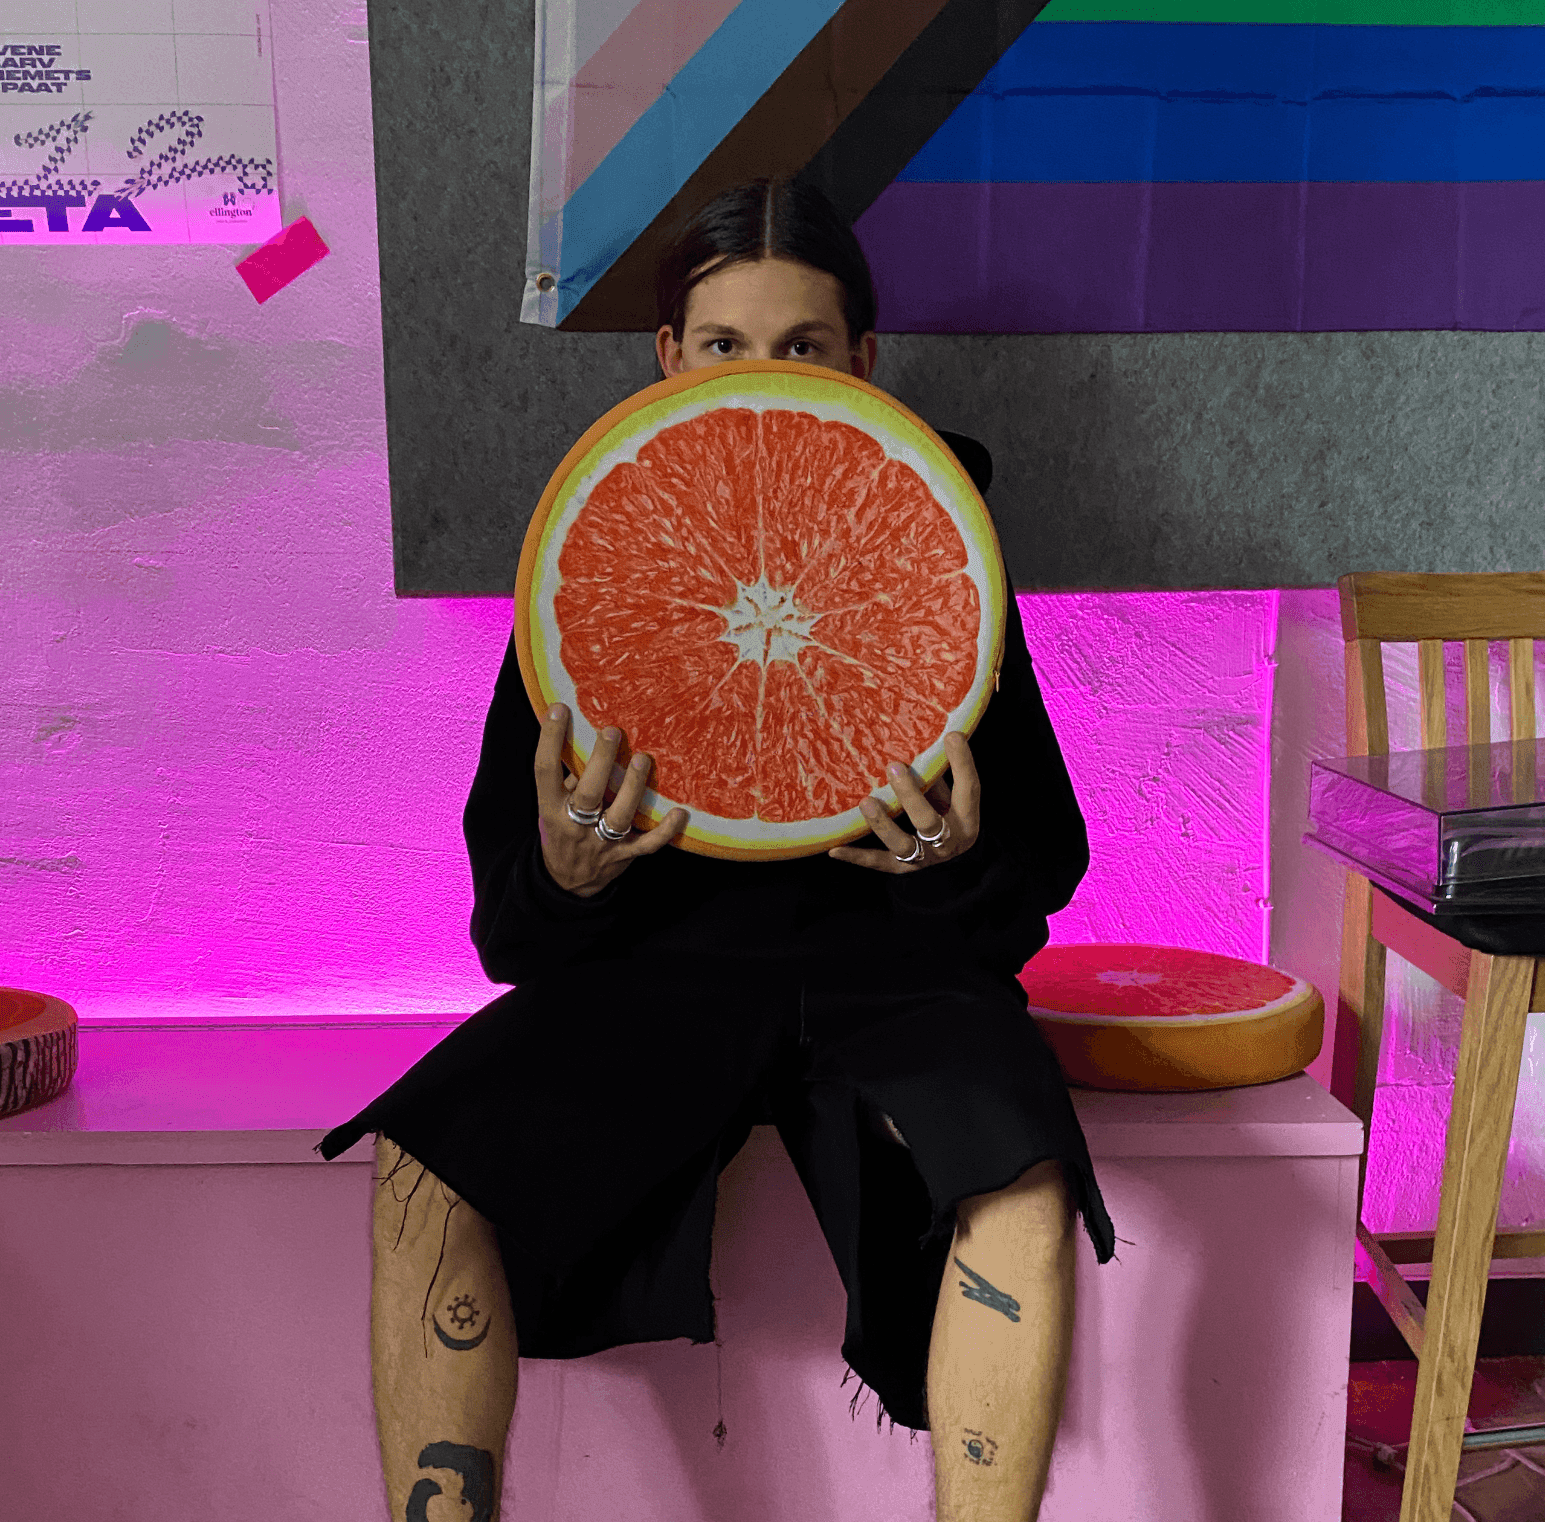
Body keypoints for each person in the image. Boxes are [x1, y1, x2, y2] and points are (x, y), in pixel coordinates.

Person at [316, 178, 1114, 1522]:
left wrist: (958, 864)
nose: (762, 375)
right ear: (667, 357)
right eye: (725, 343)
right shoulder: (594, 557)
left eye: (804, 346)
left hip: (899, 979)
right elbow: (510, 930)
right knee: (423, 1173)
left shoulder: (935, 543)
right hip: (654, 976)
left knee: (1022, 1175)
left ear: (863, 360)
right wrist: (571, 873)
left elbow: (1047, 860)